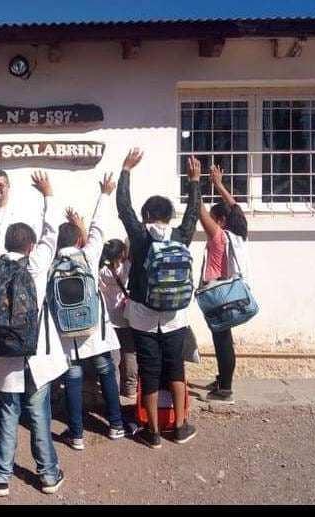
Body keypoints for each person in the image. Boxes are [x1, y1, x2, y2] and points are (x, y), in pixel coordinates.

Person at [0, 171, 66, 497]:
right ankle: (49, 475)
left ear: (6, 244)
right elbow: (53, 232)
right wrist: (48, 195)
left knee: (7, 412)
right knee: (39, 414)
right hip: (36, 352)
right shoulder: (37, 264)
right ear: (30, 245)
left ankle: (0, 476)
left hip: (3, 354)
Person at [116, 148, 200, 449]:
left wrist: (126, 170)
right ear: (169, 216)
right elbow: (193, 213)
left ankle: (151, 431)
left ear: (146, 215)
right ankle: (179, 426)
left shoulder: (139, 236)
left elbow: (123, 208)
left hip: (143, 316)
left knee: (149, 373)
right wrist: (194, 181)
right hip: (176, 317)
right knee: (176, 369)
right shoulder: (181, 236)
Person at [52, 174, 127, 451]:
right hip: (95, 327)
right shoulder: (89, 255)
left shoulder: (51, 262)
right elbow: (98, 227)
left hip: (66, 332)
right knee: (106, 371)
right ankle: (116, 425)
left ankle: (77, 434)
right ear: (79, 239)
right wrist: (105, 194)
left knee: (72, 378)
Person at [197, 163, 250, 405]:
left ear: (219, 220)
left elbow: (199, 212)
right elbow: (236, 209)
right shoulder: (239, 235)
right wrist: (218, 185)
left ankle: (225, 388)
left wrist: (195, 181)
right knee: (224, 338)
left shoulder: (219, 236)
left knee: (222, 340)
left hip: (219, 295)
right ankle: (223, 379)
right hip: (232, 294)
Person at [98, 239, 138, 399]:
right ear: (122, 253)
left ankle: (113, 389)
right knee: (130, 354)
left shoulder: (100, 270)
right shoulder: (127, 267)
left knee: (113, 358)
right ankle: (130, 388)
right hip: (127, 318)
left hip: (108, 320)